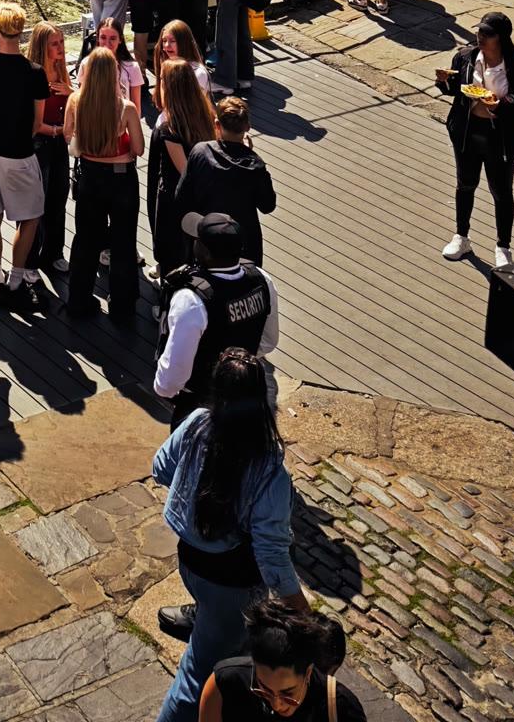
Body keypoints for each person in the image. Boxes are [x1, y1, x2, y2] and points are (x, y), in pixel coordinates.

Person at [152, 348, 305, 722]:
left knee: (220, 634)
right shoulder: (269, 471)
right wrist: (300, 608)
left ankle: (207, 625)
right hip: (232, 585)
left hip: (191, 563)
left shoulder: (196, 424)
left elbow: (160, 468)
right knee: (196, 675)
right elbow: (271, 554)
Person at [155, 211, 278, 427]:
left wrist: (165, 389)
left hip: (200, 408)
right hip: (247, 400)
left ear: (205, 252)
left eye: (198, 240)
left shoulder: (192, 300)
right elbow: (268, 341)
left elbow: (172, 376)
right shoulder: (261, 279)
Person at [437, 10, 514, 267]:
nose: (480, 36)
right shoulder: (465, 57)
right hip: (468, 132)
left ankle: (503, 247)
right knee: (465, 184)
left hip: (500, 138)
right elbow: (455, 90)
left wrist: (498, 107)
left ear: (501, 38)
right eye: (479, 31)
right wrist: (444, 82)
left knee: (501, 192)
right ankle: (462, 237)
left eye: (487, 33)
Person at [0, 2, 48, 309]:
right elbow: (38, 122)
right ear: (21, 30)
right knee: (30, 217)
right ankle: (16, 281)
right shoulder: (36, 73)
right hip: (20, 154)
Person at [64, 46, 143, 321]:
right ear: (113, 74)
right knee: (123, 243)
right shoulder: (126, 107)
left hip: (89, 177)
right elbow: (139, 148)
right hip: (121, 179)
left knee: (86, 240)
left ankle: (78, 301)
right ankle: (122, 306)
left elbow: (68, 137)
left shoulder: (75, 101)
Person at [199, 599, 364, 722]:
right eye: (263, 690)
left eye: (288, 694)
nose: (276, 705)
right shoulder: (225, 682)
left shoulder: (342, 710)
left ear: (308, 672)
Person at [174, 96, 276, 263]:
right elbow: (268, 205)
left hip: (207, 242)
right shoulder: (255, 166)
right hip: (243, 246)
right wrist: (249, 154)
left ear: (217, 124)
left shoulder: (200, 151)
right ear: (247, 126)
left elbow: (181, 196)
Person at [149, 58, 220, 282]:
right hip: (204, 199)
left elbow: (185, 171)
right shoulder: (207, 117)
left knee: (173, 261)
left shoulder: (169, 129)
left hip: (175, 203)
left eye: (161, 80)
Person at [27, 21, 73, 276]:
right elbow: (30, 123)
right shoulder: (32, 75)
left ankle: (54, 253)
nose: (61, 47)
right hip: (39, 144)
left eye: (62, 42)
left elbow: (74, 105)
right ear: (42, 46)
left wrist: (71, 92)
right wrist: (57, 131)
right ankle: (30, 260)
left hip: (60, 143)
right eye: (55, 43)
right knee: (37, 203)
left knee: (59, 196)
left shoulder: (61, 70)